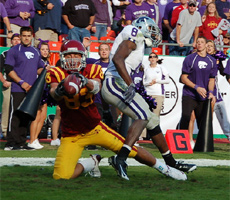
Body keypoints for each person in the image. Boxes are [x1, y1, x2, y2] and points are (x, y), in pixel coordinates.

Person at [46, 39, 187, 181]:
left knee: (131, 150)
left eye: (75, 55)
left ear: (82, 56)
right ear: (62, 57)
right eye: (69, 56)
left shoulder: (91, 69)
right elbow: (53, 91)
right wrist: (62, 88)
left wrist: (84, 81)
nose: (72, 59)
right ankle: (91, 163)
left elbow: (96, 86)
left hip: (94, 128)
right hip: (71, 135)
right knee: (61, 176)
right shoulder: (56, 73)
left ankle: (166, 169)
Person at [101, 16, 196, 180]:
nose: (153, 33)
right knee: (143, 116)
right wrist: (130, 84)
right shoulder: (134, 33)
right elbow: (117, 59)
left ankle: (171, 162)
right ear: (141, 27)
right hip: (115, 82)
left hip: (119, 83)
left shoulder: (138, 40)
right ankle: (121, 158)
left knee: (152, 119)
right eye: (151, 29)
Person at [4, 26, 45, 151]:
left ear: (32, 37)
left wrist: (46, 71)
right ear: (20, 37)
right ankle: (11, 143)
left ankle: (21, 142)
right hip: (18, 88)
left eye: (28, 36)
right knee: (15, 115)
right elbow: (9, 69)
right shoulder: (14, 51)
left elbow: (39, 68)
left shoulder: (36, 51)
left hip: (31, 90)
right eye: (24, 36)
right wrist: (21, 82)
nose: (26, 38)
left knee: (25, 116)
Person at [177, 36, 217, 138]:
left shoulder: (212, 61)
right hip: (189, 94)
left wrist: (211, 92)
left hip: (203, 96)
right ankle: (181, 141)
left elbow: (212, 79)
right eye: (197, 42)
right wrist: (196, 87)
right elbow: (183, 78)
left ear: (206, 45)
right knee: (186, 117)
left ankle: (201, 145)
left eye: (201, 42)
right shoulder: (190, 58)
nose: (199, 44)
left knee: (202, 122)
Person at [28, 42, 52, 149]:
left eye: (47, 49)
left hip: (45, 89)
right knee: (36, 116)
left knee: (43, 117)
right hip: (38, 90)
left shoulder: (47, 61)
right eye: (43, 49)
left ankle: (36, 138)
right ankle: (32, 139)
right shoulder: (37, 61)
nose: (45, 51)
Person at [0, 33, 21, 139]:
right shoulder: (4, 54)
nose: (16, 41)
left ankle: (17, 132)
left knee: (20, 109)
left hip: (20, 85)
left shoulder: (23, 54)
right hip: (8, 84)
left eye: (18, 39)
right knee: (6, 107)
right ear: (11, 41)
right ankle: (4, 131)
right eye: (14, 39)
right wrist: (3, 81)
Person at [143, 52, 170, 117]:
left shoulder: (161, 68)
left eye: (154, 57)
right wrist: (149, 83)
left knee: (155, 116)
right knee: (146, 115)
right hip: (148, 94)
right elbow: (143, 82)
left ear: (157, 59)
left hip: (158, 94)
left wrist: (157, 81)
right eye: (150, 57)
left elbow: (167, 80)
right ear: (149, 59)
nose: (152, 58)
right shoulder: (146, 69)